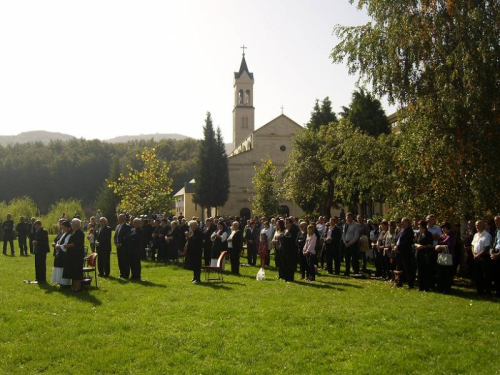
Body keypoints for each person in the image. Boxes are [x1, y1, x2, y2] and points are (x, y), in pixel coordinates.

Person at [63, 218, 85, 292]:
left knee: (77, 271)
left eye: (72, 223)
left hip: (77, 255)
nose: (71, 225)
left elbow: (76, 243)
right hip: (72, 255)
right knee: (74, 271)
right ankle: (74, 286)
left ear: (76, 224)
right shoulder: (74, 232)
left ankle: (78, 287)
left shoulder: (80, 233)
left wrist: (67, 246)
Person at [435, 222, 457, 294]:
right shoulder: (442, 236)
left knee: (447, 274)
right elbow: (439, 242)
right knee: (440, 273)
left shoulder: (451, 235)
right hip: (441, 255)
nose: (442, 229)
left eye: (443, 227)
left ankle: (446, 289)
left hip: (449, 256)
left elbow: (450, 245)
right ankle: (440, 288)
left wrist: (440, 246)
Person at [471, 220, 492, 295]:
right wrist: (474, 254)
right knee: (477, 274)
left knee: (485, 274)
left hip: (483, 257)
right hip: (476, 257)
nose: (477, 226)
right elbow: (473, 245)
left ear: (483, 226)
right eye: (476, 225)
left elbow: (486, 248)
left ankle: (487, 291)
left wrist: (478, 255)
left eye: (479, 225)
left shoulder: (487, 235)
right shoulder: (476, 235)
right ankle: (479, 290)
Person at [395, 218, 415, 288]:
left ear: (407, 222)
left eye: (403, 222)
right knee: (399, 267)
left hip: (405, 252)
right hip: (399, 252)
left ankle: (410, 283)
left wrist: (399, 247)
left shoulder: (410, 231)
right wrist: (395, 246)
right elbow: (398, 239)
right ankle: (399, 282)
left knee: (407, 268)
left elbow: (407, 241)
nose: (401, 223)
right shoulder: (401, 230)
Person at [51, 220, 72, 287]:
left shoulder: (69, 234)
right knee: (58, 266)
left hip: (64, 253)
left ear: (66, 226)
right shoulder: (63, 233)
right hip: (59, 252)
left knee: (62, 268)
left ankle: (64, 283)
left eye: (62, 226)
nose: (61, 227)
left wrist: (59, 246)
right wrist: (57, 244)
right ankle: (59, 281)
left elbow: (66, 244)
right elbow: (59, 241)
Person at [415, 220, 434, 291]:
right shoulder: (419, 234)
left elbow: (430, 245)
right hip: (418, 254)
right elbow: (415, 242)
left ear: (423, 226)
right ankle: (421, 286)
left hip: (425, 254)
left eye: (419, 225)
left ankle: (426, 287)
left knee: (426, 271)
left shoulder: (428, 234)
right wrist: (417, 245)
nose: (418, 226)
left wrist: (423, 246)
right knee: (420, 271)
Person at [114, 214, 132, 279]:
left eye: (120, 218)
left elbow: (127, 237)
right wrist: (115, 243)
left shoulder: (127, 226)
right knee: (120, 260)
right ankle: (121, 273)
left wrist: (121, 243)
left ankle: (126, 274)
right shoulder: (117, 226)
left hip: (124, 246)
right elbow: (116, 236)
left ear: (124, 219)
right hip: (118, 246)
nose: (118, 219)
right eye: (118, 218)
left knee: (125, 261)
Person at [490, 216, 500, 298]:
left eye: (498, 221)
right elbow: (495, 242)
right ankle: (497, 291)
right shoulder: (497, 231)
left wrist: (498, 254)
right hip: (496, 252)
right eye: (495, 221)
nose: (496, 223)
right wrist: (492, 252)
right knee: (496, 273)